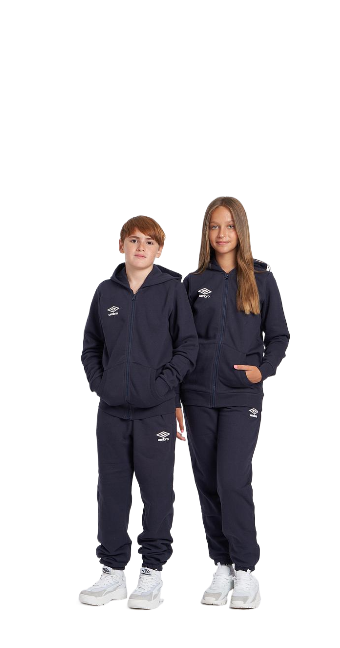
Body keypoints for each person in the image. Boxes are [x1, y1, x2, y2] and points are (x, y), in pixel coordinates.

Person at [79, 216, 197, 610]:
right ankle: (112, 572)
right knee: (111, 492)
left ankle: (152, 571)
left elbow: (187, 347)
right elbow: (90, 347)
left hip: (156, 412)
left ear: (159, 250)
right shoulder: (105, 292)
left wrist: (161, 387)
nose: (140, 247)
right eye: (133, 240)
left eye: (149, 241)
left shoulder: (172, 290)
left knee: (157, 492)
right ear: (121, 246)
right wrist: (103, 385)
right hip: (112, 412)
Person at [179, 197, 290, 609]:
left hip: (241, 395)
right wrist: (175, 397)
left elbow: (278, 335)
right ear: (206, 232)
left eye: (228, 226)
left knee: (232, 478)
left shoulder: (261, 279)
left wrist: (263, 370)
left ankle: (245, 570)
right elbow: (179, 343)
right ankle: (222, 564)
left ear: (240, 230)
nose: (221, 234)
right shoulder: (193, 283)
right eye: (214, 226)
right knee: (207, 480)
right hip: (196, 396)